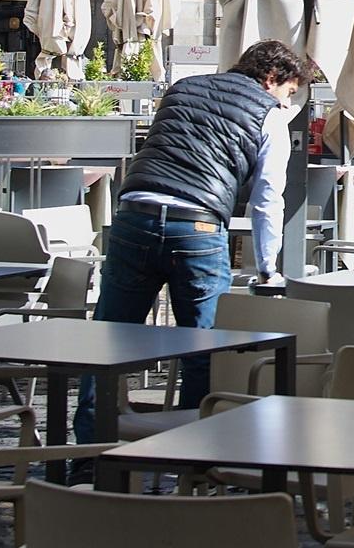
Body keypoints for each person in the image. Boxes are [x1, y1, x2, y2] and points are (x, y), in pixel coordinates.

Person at [73, 39, 308, 451]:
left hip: (135, 213)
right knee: (203, 347)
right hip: (197, 226)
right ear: (272, 78)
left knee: (108, 341)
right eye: (289, 93)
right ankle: (189, 456)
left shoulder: (182, 88)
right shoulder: (270, 116)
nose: (288, 104)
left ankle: (88, 454)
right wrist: (267, 267)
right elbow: (268, 198)